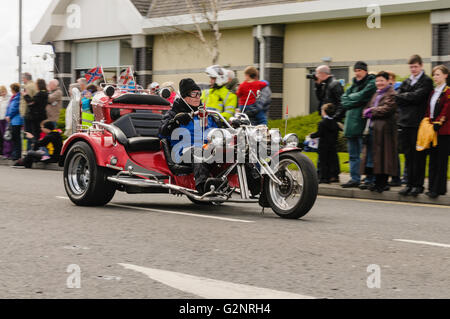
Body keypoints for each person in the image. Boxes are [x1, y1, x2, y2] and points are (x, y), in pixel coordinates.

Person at [160, 78, 224, 195]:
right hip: (183, 150)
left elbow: (220, 130)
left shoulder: (206, 114)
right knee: (198, 152)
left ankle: (258, 185)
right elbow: (162, 133)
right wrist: (176, 122)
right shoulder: (174, 113)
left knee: (238, 149)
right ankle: (203, 186)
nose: (197, 97)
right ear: (184, 96)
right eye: (193, 94)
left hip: (208, 147)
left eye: (199, 94)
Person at [396, 55, 434, 196]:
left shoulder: (427, 81)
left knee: (419, 156)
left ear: (421, 65)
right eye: (411, 67)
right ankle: (409, 184)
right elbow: (397, 98)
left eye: (415, 66)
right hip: (405, 123)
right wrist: (407, 97)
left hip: (418, 124)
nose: (413, 69)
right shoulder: (406, 81)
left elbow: (418, 97)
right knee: (408, 156)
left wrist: (405, 97)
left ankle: (418, 185)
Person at [414, 65, 450, 198]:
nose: (435, 77)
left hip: (443, 131)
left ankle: (439, 188)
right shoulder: (433, 92)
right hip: (432, 130)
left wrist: (439, 122)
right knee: (433, 159)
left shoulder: (448, 91)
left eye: (438, 74)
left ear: (445, 76)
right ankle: (431, 187)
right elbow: (429, 110)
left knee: (441, 160)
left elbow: (447, 109)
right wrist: (428, 121)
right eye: (434, 75)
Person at [340, 61, 377, 188]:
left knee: (366, 154)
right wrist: (354, 100)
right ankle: (354, 178)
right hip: (350, 125)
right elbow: (343, 100)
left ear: (365, 71)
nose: (357, 73)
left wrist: (351, 98)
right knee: (353, 155)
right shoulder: (353, 84)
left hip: (363, 125)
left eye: (359, 70)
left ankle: (369, 178)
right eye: (355, 71)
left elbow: (363, 96)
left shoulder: (371, 83)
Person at [361, 71, 398, 193]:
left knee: (384, 158)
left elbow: (387, 109)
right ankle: (376, 182)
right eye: (377, 81)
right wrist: (367, 111)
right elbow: (367, 107)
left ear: (388, 81)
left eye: (382, 80)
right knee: (375, 158)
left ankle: (382, 183)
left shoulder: (391, 93)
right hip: (374, 129)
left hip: (385, 131)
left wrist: (372, 111)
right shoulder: (376, 93)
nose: (379, 83)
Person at [309, 103, 340, 184]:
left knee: (323, 162)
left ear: (324, 112)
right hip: (332, 146)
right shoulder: (335, 123)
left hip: (323, 146)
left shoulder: (322, 123)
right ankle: (331, 177)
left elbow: (319, 133)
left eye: (322, 110)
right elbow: (336, 135)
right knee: (330, 162)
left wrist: (311, 135)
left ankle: (323, 178)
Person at [5, 83, 23, 161]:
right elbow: (9, 107)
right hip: (13, 121)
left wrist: (9, 116)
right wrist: (7, 115)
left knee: (16, 139)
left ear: (13, 89)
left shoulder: (18, 97)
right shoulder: (14, 97)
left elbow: (15, 108)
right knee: (14, 139)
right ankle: (14, 154)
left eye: (11, 89)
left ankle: (17, 155)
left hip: (16, 121)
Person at [20, 73, 36, 150]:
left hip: (28, 114)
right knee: (32, 133)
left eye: (23, 78)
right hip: (32, 114)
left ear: (26, 78)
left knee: (28, 133)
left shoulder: (28, 86)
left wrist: (23, 113)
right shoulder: (34, 85)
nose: (22, 80)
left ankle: (29, 151)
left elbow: (28, 100)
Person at [0, 85, 11, 159]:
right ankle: (2, 152)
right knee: (1, 136)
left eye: (3, 92)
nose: (2, 93)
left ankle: (7, 152)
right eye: (1, 92)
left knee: (6, 136)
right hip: (0, 119)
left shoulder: (9, 98)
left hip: (6, 119)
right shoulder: (0, 99)